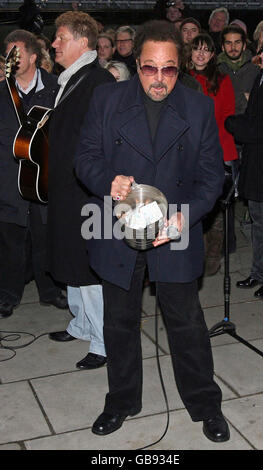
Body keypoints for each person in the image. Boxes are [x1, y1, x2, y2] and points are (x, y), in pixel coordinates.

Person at [75, 20, 229, 442]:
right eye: (149, 68)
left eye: (169, 69)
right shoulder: (106, 99)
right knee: (119, 323)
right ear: (136, 62)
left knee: (186, 322)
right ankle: (122, 400)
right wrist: (107, 180)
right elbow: (84, 156)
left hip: (173, 224)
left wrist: (187, 214)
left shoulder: (197, 107)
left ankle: (205, 403)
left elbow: (212, 176)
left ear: (180, 67)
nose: (159, 79)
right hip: (117, 227)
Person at [46, 11, 115, 370]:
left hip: (87, 191)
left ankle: (104, 342)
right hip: (66, 187)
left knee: (89, 267)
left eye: (60, 37)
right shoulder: (71, 78)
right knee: (70, 259)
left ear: (82, 42)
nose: (54, 44)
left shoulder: (99, 81)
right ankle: (81, 324)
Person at [0, 29, 68, 319]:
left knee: (46, 236)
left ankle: (50, 290)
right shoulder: (2, 91)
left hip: (44, 178)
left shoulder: (57, 87)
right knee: (10, 241)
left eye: (16, 53)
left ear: (32, 56)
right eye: (8, 54)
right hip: (7, 179)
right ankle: (8, 294)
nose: (11, 59)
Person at [225, 36, 263, 299]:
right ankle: (260, 272)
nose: (261, 54)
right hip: (256, 163)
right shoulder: (260, 78)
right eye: (262, 49)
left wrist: (236, 126)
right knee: (258, 223)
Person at [188, 33, 238, 275]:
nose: (200, 54)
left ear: (212, 54)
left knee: (215, 211)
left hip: (215, 151)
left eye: (206, 49)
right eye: (196, 49)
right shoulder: (181, 78)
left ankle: (212, 261)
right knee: (191, 210)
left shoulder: (222, 80)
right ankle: (193, 258)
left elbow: (227, 116)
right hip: (188, 152)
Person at [218, 25, 260, 116]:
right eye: (228, 43)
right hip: (221, 124)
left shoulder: (256, 69)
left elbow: (261, 101)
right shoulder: (214, 70)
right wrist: (243, 97)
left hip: (249, 124)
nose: (233, 47)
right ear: (222, 47)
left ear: (244, 46)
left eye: (237, 42)